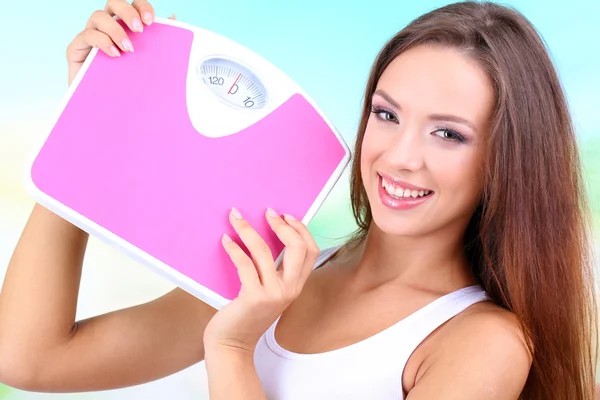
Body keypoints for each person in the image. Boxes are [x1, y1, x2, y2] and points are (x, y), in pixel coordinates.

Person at [0, 0, 597, 398]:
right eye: (386, 115)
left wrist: (233, 348)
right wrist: (91, 121)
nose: (398, 156)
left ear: (505, 161)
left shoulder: (482, 341)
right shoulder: (275, 271)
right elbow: (31, 358)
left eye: (448, 133)